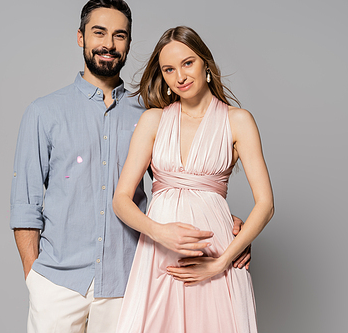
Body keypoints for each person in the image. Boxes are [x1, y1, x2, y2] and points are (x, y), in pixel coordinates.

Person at [10, 2, 249, 332]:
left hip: (127, 283)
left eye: (119, 35)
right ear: (80, 38)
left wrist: (228, 228)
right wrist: (34, 278)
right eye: (99, 32)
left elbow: (179, 182)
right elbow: (25, 205)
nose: (109, 43)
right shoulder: (43, 113)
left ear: (128, 43)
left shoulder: (152, 114)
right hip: (58, 282)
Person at [112, 26, 274, 332]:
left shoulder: (238, 121)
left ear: (205, 64)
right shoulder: (153, 121)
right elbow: (121, 200)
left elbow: (265, 204)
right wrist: (159, 233)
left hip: (216, 256)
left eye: (188, 63)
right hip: (159, 253)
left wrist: (223, 261)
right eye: (169, 69)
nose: (180, 77)